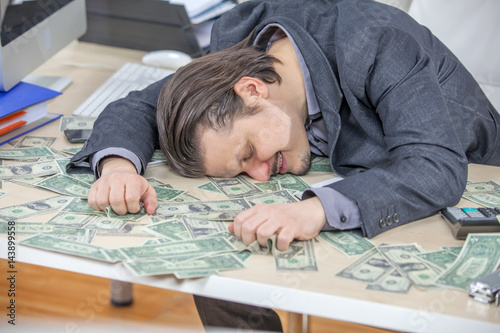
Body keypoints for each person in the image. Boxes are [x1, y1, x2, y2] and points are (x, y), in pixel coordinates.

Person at [68, 0, 500, 331]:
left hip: (460, 186)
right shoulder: (239, 43)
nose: (258, 173)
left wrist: (313, 209)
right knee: (217, 255)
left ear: (253, 89)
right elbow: (139, 105)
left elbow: (433, 167)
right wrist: (119, 169)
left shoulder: (376, 41)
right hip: (349, 175)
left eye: (246, 153)